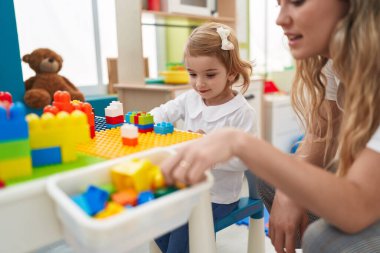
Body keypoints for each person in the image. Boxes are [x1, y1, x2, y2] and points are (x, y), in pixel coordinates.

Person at [159, 0, 380, 253]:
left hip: (362, 201)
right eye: (279, 4)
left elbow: (360, 205)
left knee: (322, 238)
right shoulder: (335, 65)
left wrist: (238, 143)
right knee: (270, 180)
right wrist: (288, 193)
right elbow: (322, 133)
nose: (280, 19)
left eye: (297, 2)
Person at [151, 22, 257, 253]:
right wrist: (143, 122)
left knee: (183, 224)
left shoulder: (241, 112)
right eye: (192, 74)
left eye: (209, 75)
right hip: (186, 187)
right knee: (155, 217)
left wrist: (211, 150)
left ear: (231, 72)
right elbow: (163, 112)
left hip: (217, 197)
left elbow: (246, 160)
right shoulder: (190, 98)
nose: (199, 83)